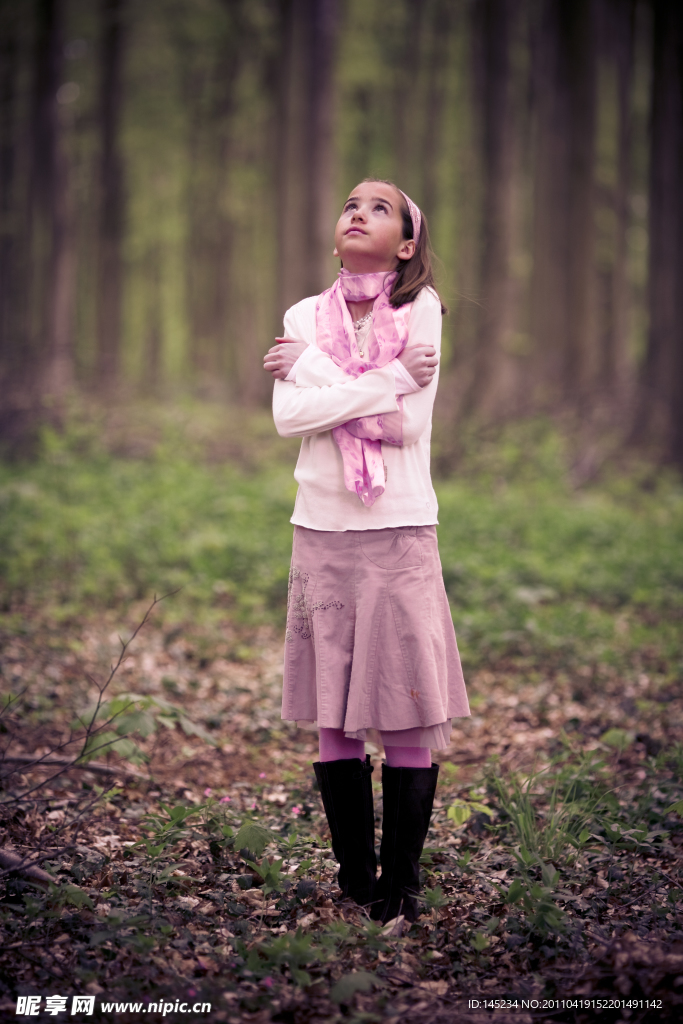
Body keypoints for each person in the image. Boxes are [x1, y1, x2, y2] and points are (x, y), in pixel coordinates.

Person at [263, 179, 470, 924]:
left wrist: (322, 380)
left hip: (399, 528)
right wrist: (377, 381)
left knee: (407, 705)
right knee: (334, 712)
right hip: (319, 527)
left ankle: (401, 882)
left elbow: (405, 430)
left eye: (380, 208)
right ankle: (355, 874)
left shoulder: (422, 310)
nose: (359, 212)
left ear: (406, 243)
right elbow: (290, 417)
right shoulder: (300, 315)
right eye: (352, 203)